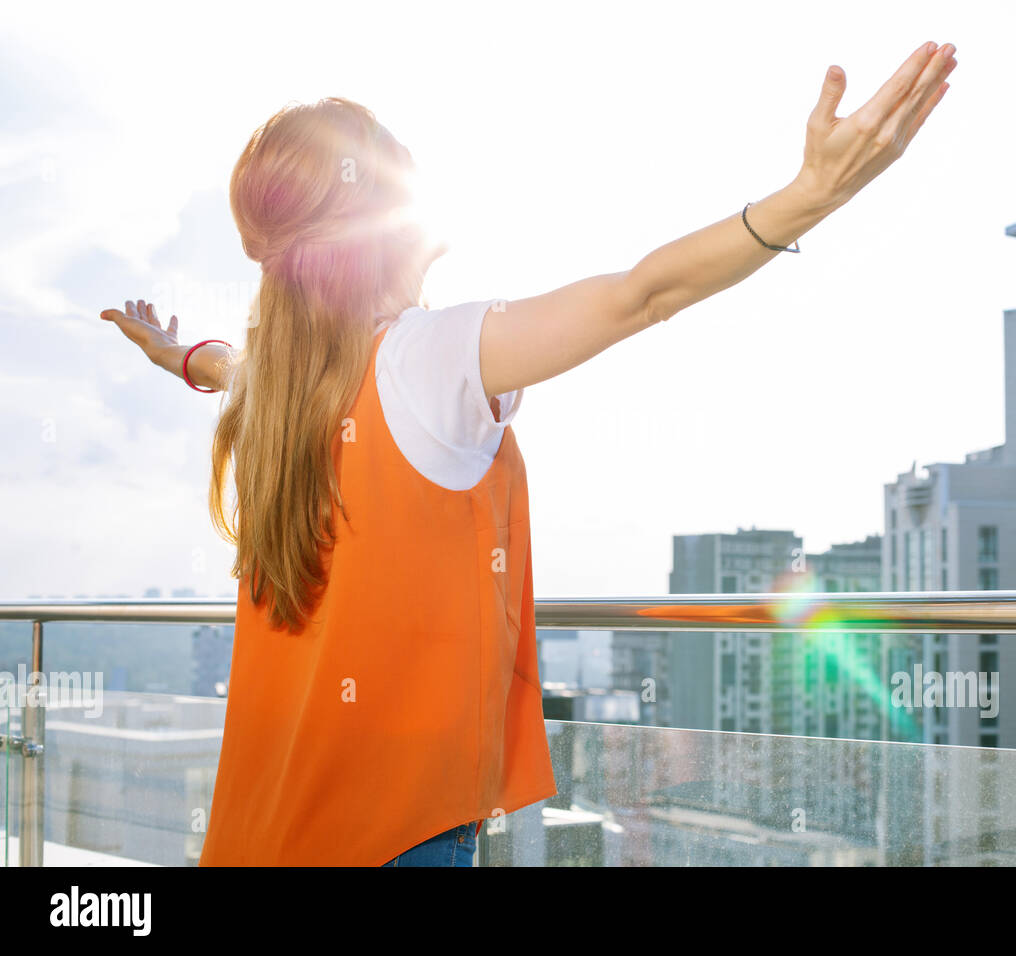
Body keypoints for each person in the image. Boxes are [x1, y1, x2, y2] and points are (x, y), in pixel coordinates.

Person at [99, 41, 957, 866]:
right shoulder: (425, 357)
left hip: (257, 833)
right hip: (391, 837)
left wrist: (167, 352)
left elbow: (221, 366)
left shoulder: (282, 388)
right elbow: (639, 296)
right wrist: (809, 197)